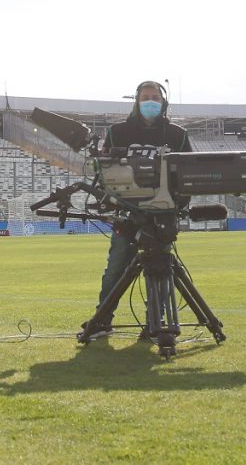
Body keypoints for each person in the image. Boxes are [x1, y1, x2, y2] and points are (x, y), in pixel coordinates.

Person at [79, 81, 192, 340]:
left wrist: (179, 202)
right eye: (145, 97)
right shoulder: (118, 132)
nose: (150, 101)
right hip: (127, 211)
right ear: (137, 101)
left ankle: (157, 323)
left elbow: (189, 170)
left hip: (163, 212)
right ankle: (102, 320)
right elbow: (103, 168)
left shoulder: (177, 134)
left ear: (163, 102)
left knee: (162, 268)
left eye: (155, 97)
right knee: (116, 267)